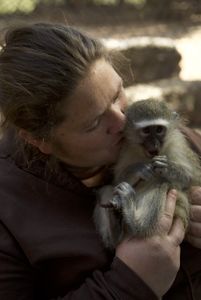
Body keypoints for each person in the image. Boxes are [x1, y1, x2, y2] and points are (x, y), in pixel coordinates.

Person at [0, 23, 200, 300]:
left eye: (118, 94)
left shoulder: (159, 134)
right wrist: (129, 284)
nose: (122, 122)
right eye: (94, 122)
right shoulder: (9, 213)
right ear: (39, 140)